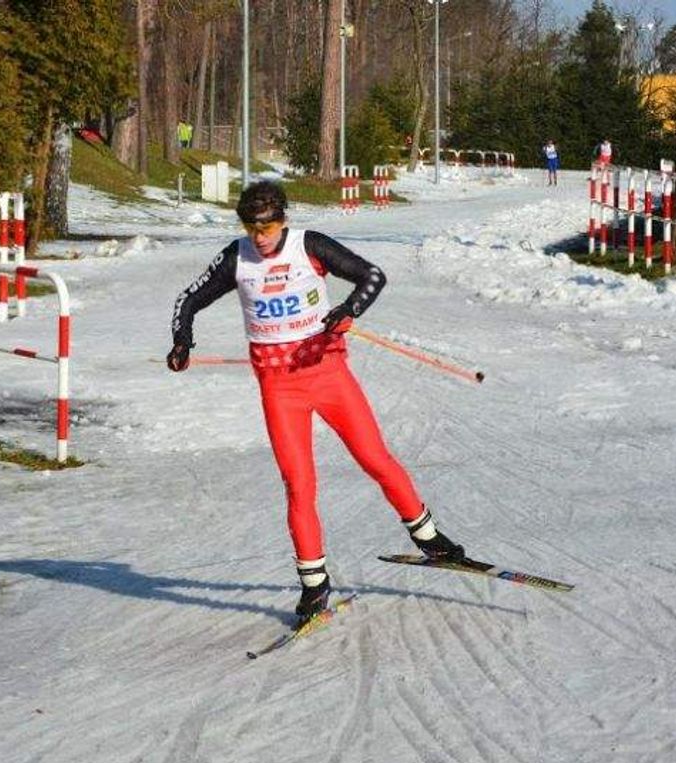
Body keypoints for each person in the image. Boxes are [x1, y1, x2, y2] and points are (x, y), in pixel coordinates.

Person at [167, 181, 464, 623]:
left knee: (375, 458)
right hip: (279, 388)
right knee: (299, 484)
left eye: (267, 227)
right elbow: (188, 299)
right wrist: (182, 341)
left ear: (283, 219)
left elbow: (373, 276)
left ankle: (427, 537)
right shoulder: (238, 257)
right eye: (251, 228)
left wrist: (348, 310)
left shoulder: (309, 246)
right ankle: (314, 585)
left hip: (328, 376)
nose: (260, 237)